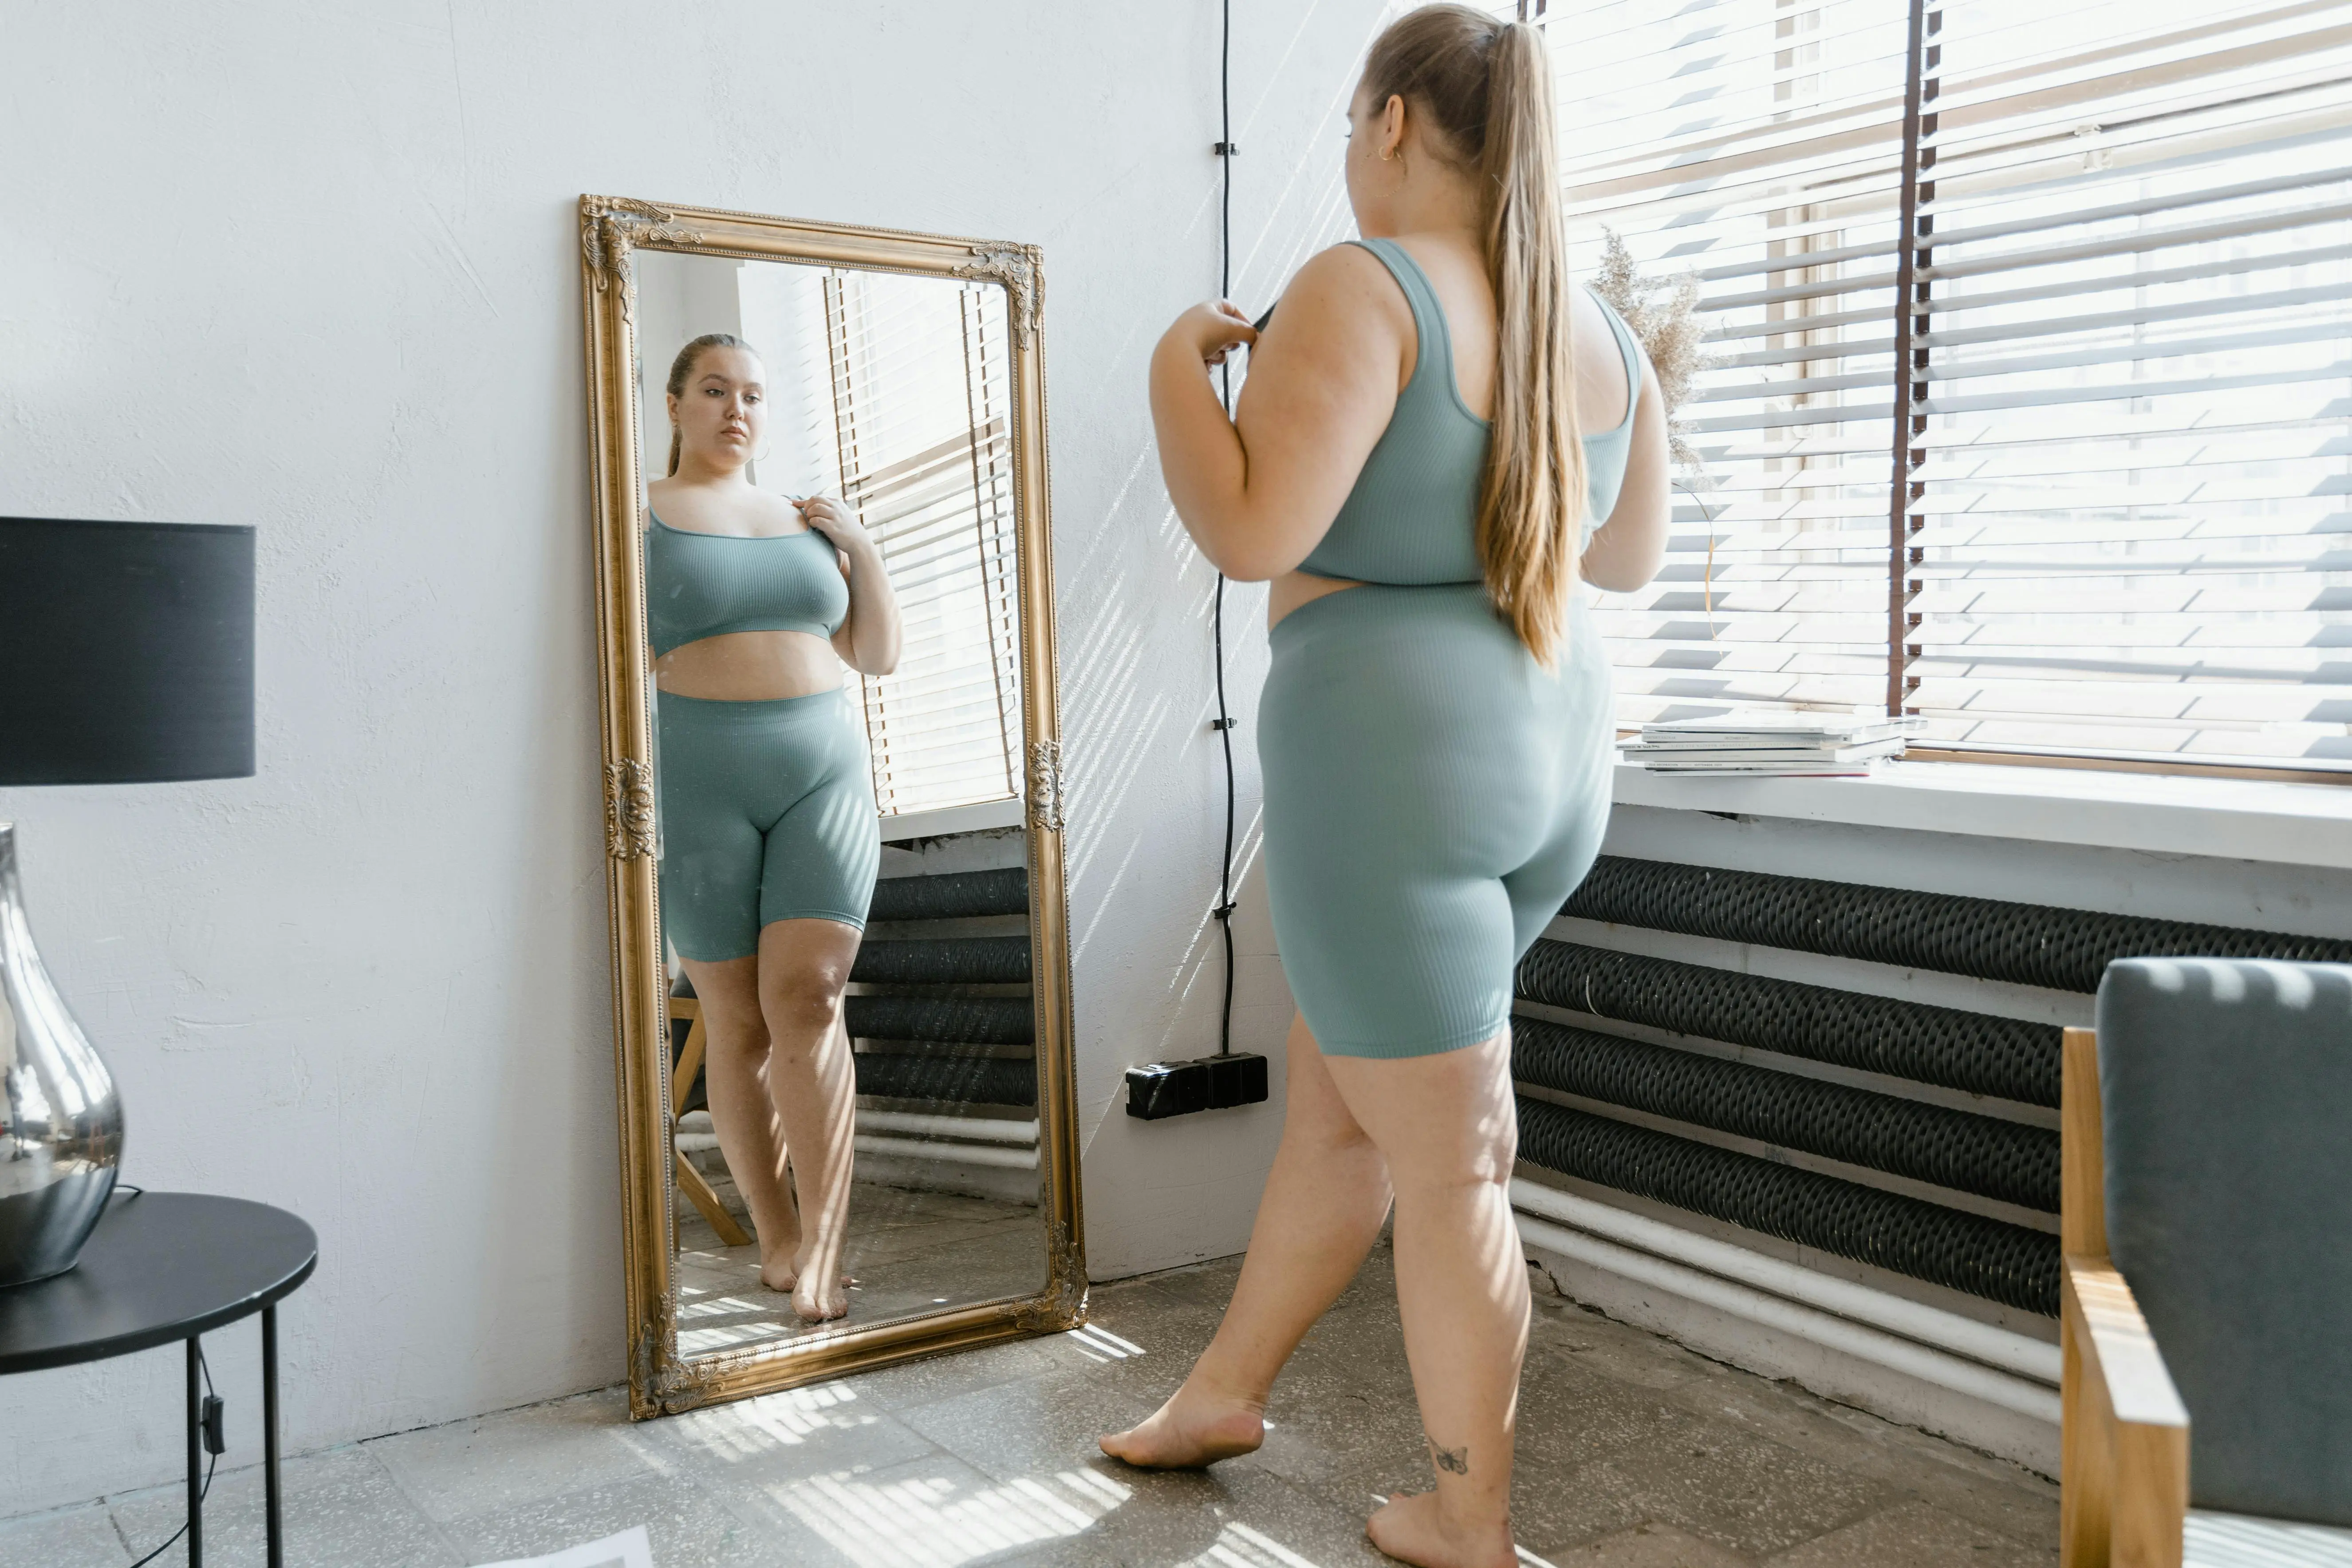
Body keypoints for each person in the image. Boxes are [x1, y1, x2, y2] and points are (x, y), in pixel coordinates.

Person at [1101, 8, 1670, 1565]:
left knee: (1451, 1158)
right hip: (1551, 758)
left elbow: (1250, 529)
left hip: (1392, 772)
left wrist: (1174, 372)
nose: (1350, 157)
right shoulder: (1598, 330)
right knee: (1347, 1111)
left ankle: (1469, 1523)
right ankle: (1222, 1392)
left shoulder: (1368, 287)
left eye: (1355, 126)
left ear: (1399, 124)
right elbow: (1621, 556)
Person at [644, 332, 901, 1324]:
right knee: (739, 1024)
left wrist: (862, 546)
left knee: (812, 997)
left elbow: (876, 654)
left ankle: (827, 1244)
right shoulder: (639, 517)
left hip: (823, 769)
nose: (735, 410)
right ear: (675, 404)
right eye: (714, 390)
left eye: (751, 393)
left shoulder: (806, 522)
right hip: (697, 779)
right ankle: (779, 1237)